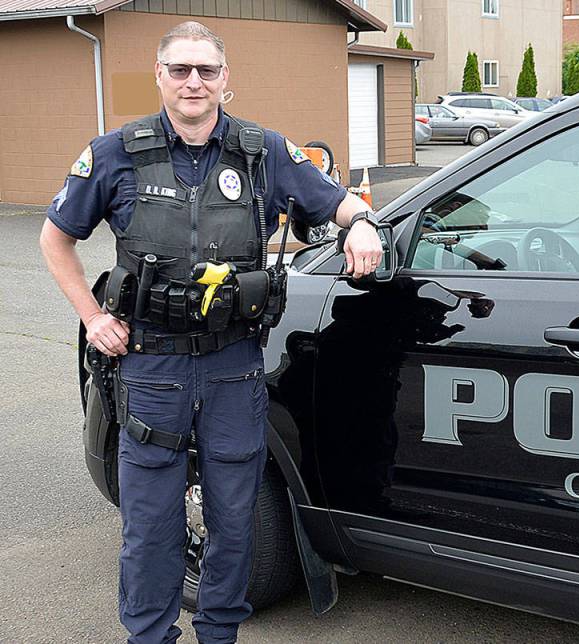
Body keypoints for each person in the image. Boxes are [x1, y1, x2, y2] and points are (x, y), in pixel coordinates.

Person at [38, 21, 382, 644]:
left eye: (205, 70)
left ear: (226, 79)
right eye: (180, 69)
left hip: (233, 369)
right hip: (151, 372)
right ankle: (151, 636)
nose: (193, 82)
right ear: (160, 76)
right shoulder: (116, 152)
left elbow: (334, 202)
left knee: (232, 523)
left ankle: (218, 633)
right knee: (151, 525)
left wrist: (361, 223)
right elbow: (55, 238)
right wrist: (93, 318)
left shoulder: (264, 151)